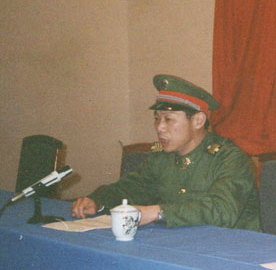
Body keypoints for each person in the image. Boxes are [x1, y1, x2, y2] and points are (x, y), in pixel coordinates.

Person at [71, 74, 261, 231]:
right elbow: (134, 187)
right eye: (157, 119)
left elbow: (222, 211)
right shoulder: (163, 156)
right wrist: (98, 200)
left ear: (198, 120)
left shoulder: (230, 158)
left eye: (168, 119)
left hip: (232, 250)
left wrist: (159, 212)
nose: (159, 127)